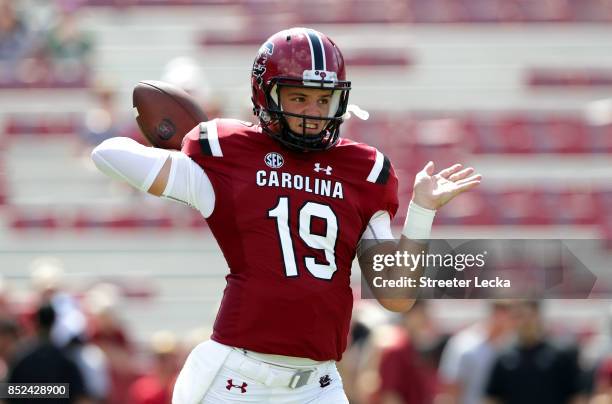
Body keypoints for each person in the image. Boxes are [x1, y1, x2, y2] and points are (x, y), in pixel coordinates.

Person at [91, 27, 481, 404]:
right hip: (233, 379)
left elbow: (396, 296)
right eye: (298, 98)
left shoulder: (362, 170)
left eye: (323, 99)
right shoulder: (232, 153)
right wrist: (187, 142)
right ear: (267, 96)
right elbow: (107, 154)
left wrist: (421, 211)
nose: (313, 112)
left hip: (318, 385)